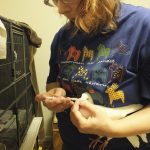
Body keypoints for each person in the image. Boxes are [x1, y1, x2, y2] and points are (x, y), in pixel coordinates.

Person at [36, 0, 150, 149]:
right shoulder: (62, 36)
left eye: (65, 0)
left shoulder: (143, 26)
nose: (60, 9)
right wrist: (58, 93)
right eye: (55, 1)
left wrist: (111, 129)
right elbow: (54, 81)